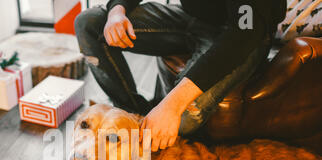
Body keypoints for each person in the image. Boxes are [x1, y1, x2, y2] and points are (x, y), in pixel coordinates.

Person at [74, 0, 287, 151]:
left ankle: (144, 134)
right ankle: (132, 116)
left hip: (244, 37)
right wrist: (116, 12)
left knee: (182, 118)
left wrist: (171, 106)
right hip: (191, 18)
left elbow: (242, 37)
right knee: (89, 23)